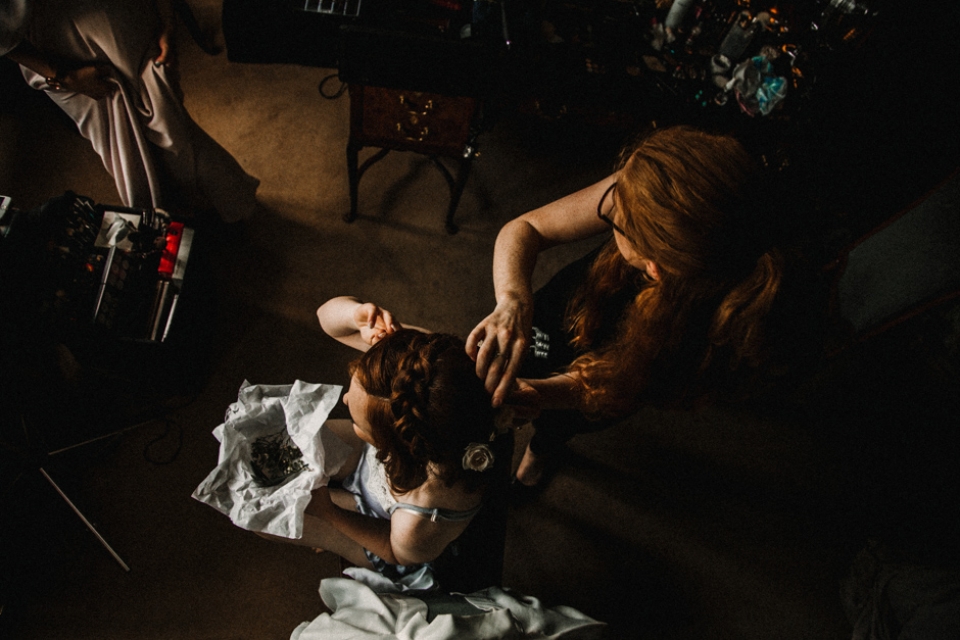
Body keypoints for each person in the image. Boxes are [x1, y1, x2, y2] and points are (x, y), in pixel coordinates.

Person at [467, 125, 796, 486]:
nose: (608, 203)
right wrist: (514, 299)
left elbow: (604, 388)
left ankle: (541, 452)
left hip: (608, 381)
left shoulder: (698, 338)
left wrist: (538, 394)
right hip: (567, 307)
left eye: (614, 219)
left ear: (652, 267)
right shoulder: (666, 188)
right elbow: (528, 227)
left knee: (560, 424)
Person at [259, 296, 505, 591]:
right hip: (374, 465)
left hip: (382, 522)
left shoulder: (421, 517)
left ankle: (331, 520)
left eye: (359, 424)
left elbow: (396, 552)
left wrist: (330, 514)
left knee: (271, 509)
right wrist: (357, 317)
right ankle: (335, 487)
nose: (345, 399)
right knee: (276, 451)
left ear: (395, 448)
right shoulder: (416, 372)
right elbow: (326, 318)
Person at [0, 0, 259, 223]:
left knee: (169, 129)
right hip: (57, 50)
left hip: (126, 23)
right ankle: (167, 222)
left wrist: (167, 23)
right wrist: (63, 76)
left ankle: (223, 204)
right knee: (122, 146)